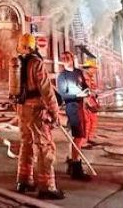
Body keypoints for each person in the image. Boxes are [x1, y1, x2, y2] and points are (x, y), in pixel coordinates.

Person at [14, 33, 65, 200]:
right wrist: (55, 111)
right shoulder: (36, 63)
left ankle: (23, 180)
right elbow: (46, 89)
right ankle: (47, 186)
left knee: (26, 144)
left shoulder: (16, 62)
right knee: (44, 147)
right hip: (36, 109)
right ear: (33, 46)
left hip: (22, 109)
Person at [56, 51, 92, 181]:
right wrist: (77, 96)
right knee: (77, 136)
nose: (66, 59)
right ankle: (76, 168)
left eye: (68, 57)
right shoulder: (62, 77)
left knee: (80, 135)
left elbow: (84, 86)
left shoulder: (78, 73)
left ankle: (71, 162)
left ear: (72, 59)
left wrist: (87, 91)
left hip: (81, 107)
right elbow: (63, 95)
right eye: (63, 58)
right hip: (72, 108)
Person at [81, 58, 101, 146]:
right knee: (86, 122)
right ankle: (83, 142)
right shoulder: (83, 78)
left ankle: (89, 138)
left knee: (93, 120)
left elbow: (93, 88)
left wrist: (95, 92)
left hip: (90, 102)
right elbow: (84, 91)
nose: (95, 70)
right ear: (88, 68)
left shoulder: (90, 77)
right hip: (85, 103)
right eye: (94, 68)